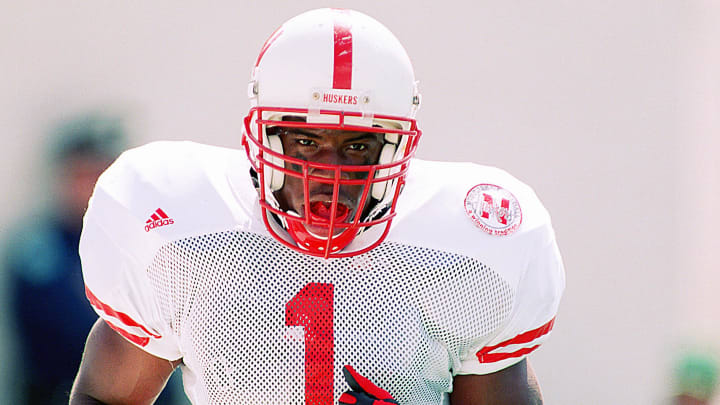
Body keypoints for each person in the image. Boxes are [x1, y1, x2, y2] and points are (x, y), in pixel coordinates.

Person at [69, 8, 565, 405]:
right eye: (305, 142)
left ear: (395, 148)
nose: (328, 175)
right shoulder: (185, 239)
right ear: (263, 137)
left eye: (356, 147)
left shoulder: (465, 256)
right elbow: (104, 395)